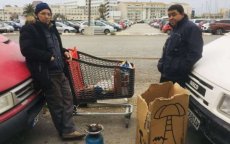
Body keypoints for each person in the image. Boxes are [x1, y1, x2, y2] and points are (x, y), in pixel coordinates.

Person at [19, 2, 85, 140]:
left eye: (49, 13)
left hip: (60, 71)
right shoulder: (30, 29)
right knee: (57, 103)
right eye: (43, 13)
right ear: (37, 14)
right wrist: (47, 56)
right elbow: (26, 50)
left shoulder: (52, 28)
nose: (46, 16)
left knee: (69, 100)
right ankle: (66, 131)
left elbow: (56, 48)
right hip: (47, 73)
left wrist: (65, 52)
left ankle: (67, 128)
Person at [157, 4, 203, 87]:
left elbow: (195, 53)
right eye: (169, 15)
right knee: (163, 98)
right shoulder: (175, 28)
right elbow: (168, 49)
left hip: (177, 77)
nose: (171, 17)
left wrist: (180, 69)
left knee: (174, 99)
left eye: (174, 14)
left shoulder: (191, 28)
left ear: (182, 14)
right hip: (166, 72)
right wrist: (161, 64)